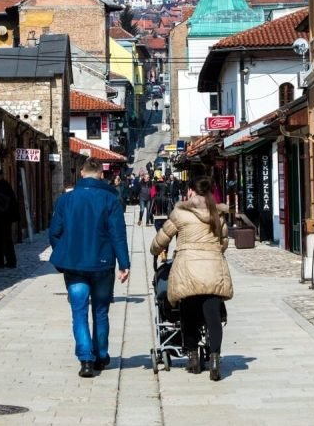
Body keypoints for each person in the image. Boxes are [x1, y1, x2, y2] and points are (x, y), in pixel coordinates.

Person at [49, 157, 130, 378]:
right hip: (102, 263)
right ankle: (101, 355)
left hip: (74, 265)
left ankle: (86, 359)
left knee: (79, 311)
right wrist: (124, 263)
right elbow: (117, 234)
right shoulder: (109, 199)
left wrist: (64, 252)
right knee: (101, 311)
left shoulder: (66, 200)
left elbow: (54, 232)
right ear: (101, 175)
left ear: (82, 174)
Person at [150, 176, 232, 381]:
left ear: (192, 193)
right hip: (212, 269)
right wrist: (213, 251)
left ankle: (193, 358)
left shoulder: (180, 214)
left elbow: (162, 238)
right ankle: (214, 359)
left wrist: (155, 249)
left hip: (187, 269)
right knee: (212, 316)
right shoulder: (217, 214)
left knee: (187, 313)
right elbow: (224, 242)